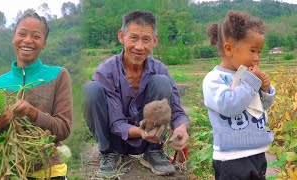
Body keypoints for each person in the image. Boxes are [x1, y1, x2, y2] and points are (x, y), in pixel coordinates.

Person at [82, 10, 190, 177]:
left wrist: (181, 128)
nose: (139, 47)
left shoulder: (159, 68)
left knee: (161, 81)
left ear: (155, 41)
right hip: (115, 138)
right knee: (90, 90)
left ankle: (154, 152)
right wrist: (140, 132)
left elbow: (176, 110)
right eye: (133, 38)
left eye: (146, 39)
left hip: (151, 139)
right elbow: (116, 122)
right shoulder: (106, 71)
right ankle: (108, 153)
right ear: (121, 36)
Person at [0, 13, 73, 179]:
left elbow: (63, 129)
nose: (27, 40)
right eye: (22, 34)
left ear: (44, 43)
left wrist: (33, 112)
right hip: (9, 172)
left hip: (50, 172)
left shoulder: (58, 75)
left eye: (36, 36)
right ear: (14, 37)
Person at [203, 11, 275, 180]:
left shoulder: (248, 77)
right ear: (229, 49)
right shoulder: (214, 80)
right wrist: (251, 82)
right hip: (231, 158)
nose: (256, 58)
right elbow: (229, 106)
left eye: (259, 52)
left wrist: (265, 89)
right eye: (252, 51)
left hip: (257, 152)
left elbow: (261, 107)